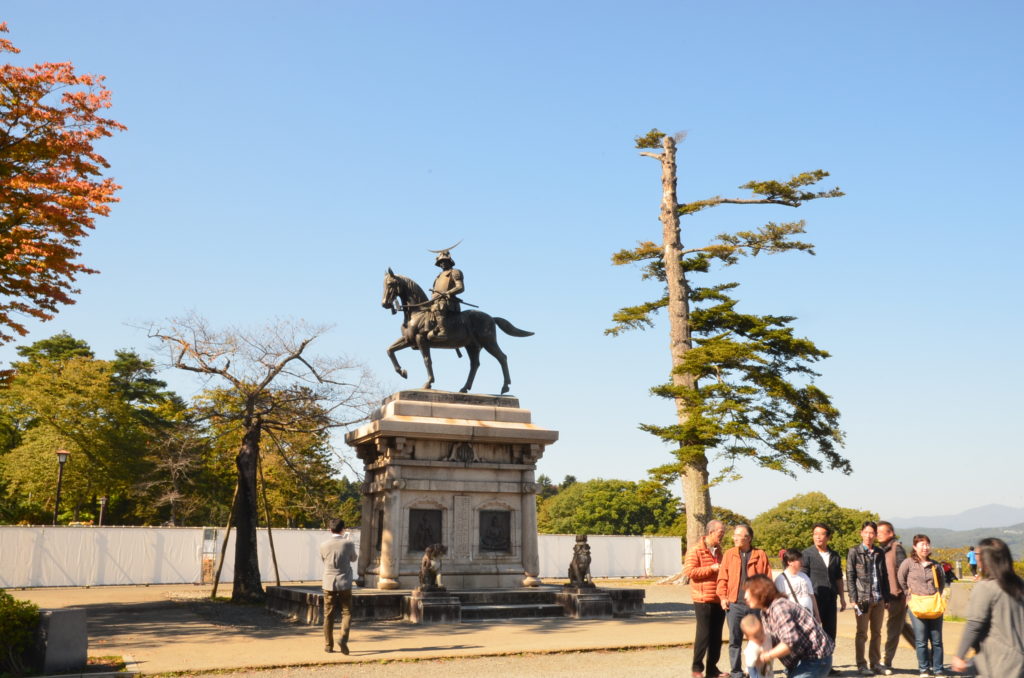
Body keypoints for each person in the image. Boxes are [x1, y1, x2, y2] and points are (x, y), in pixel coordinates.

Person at [950, 538, 1024, 677]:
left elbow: (974, 624)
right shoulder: (1018, 584)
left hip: (999, 660)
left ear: (986, 560)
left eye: (978, 555)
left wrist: (959, 655)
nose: (976, 558)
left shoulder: (986, 587)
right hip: (1019, 657)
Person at [745, 574, 835, 678]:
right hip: (800, 662)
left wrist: (766, 656)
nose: (745, 596)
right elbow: (769, 640)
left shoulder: (779, 607)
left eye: (748, 591)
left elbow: (790, 642)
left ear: (760, 591)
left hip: (815, 660)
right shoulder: (765, 613)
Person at [717, 524, 772, 678]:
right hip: (734, 604)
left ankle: (752, 669)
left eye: (738, 535)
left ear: (748, 538)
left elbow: (767, 578)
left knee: (755, 639)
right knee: (734, 640)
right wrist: (722, 597)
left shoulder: (760, 555)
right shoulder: (729, 554)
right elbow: (722, 578)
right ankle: (736, 672)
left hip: (755, 605)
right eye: (734, 534)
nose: (734, 537)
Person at [897, 534, 945, 677]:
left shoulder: (936, 565)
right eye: (922, 544)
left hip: (934, 604)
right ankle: (924, 669)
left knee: (936, 640)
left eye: (927, 544)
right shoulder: (908, 563)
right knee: (921, 640)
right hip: (916, 604)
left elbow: (941, 583)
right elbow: (901, 578)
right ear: (914, 547)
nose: (925, 547)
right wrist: (909, 595)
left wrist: (935, 595)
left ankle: (938, 669)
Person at [684, 520, 727, 678]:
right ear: (710, 532)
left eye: (722, 533)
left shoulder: (719, 551)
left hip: (719, 599)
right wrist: (711, 568)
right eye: (720, 533)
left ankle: (712, 669)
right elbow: (689, 571)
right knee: (703, 635)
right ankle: (697, 669)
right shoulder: (695, 550)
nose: (722, 536)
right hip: (703, 599)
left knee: (717, 636)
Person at [801, 522, 847, 659]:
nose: (818, 537)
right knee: (813, 631)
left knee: (830, 631)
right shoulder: (806, 554)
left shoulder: (835, 555)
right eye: (815, 534)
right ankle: (813, 663)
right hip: (813, 598)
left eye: (821, 534)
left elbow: (838, 578)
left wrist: (843, 598)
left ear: (828, 537)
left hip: (831, 598)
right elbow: (804, 577)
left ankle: (828, 663)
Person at [847, 520, 887, 676]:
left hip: (879, 597)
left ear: (876, 535)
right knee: (862, 633)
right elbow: (850, 575)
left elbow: (885, 576)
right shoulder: (854, 551)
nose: (869, 536)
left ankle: (875, 663)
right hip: (862, 599)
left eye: (872, 533)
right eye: (866, 532)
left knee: (877, 632)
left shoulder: (879, 552)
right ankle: (861, 665)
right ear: (861, 533)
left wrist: (887, 598)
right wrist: (853, 598)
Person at [877, 520, 916, 676]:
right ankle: (928, 655)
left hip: (897, 596)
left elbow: (904, 572)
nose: (877, 534)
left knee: (893, 628)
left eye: (881, 532)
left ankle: (886, 661)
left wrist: (903, 593)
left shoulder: (896, 549)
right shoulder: (882, 549)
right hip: (888, 595)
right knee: (902, 627)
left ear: (890, 533)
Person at [320, 517, 358, 654]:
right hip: (345, 582)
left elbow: (323, 560)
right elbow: (354, 558)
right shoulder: (348, 544)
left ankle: (328, 645)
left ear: (330, 529)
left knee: (328, 615)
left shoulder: (323, 545)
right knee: (347, 612)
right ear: (343, 529)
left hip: (328, 581)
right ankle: (343, 638)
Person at [426, 249, 464, 341]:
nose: (442, 263)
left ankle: (443, 331)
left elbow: (460, 287)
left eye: (444, 261)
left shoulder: (455, 272)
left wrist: (448, 293)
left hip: (448, 302)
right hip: (435, 301)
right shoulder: (438, 276)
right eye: (440, 262)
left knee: (439, 306)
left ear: (449, 261)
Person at [776, 548, 820, 621]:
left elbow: (812, 596)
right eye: (799, 560)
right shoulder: (781, 580)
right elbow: (779, 603)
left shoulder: (804, 576)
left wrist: (817, 615)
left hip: (809, 618)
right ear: (790, 562)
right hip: (792, 619)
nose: (802, 562)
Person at [741, 613, 775, 678]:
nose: (760, 637)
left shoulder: (767, 636)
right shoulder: (752, 648)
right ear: (748, 638)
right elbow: (751, 667)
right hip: (758, 675)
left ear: (762, 627)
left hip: (768, 672)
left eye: (761, 632)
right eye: (756, 637)